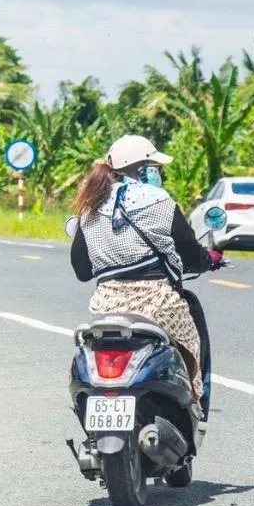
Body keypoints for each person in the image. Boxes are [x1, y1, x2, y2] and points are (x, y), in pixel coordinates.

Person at [69, 135, 222, 402]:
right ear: (145, 169)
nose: (160, 174)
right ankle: (193, 400)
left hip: (106, 306)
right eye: (157, 168)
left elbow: (82, 270)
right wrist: (207, 260)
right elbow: (188, 250)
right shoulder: (158, 201)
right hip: (159, 303)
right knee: (190, 343)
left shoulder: (91, 207)